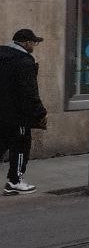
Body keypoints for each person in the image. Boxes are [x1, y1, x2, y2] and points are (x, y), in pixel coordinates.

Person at [0, 29, 47, 194]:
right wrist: (40, 112)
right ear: (26, 43)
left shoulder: (2, 54)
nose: (34, 46)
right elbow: (29, 91)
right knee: (21, 145)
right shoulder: (24, 62)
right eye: (33, 43)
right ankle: (15, 181)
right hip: (17, 114)